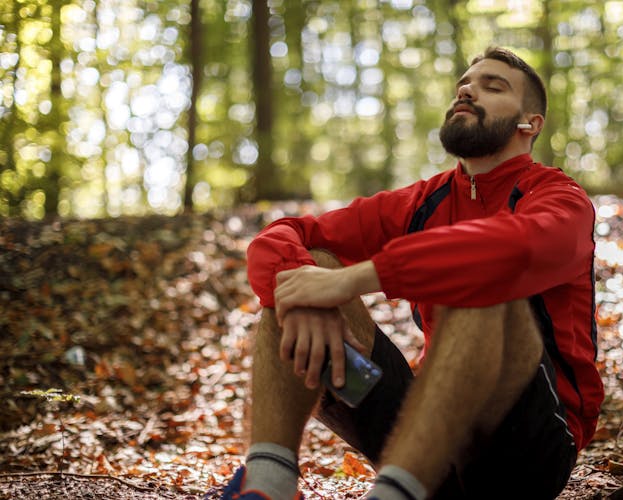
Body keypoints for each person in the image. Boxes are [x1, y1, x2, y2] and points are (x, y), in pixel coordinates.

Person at [220, 46, 603, 500]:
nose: (467, 90)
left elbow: (509, 251)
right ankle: (266, 484)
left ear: (530, 123)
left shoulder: (559, 197)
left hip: (527, 451)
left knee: (482, 285)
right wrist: (307, 297)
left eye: (492, 86)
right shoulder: (424, 201)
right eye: (465, 83)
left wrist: (355, 279)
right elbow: (285, 235)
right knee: (304, 270)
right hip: (426, 445)